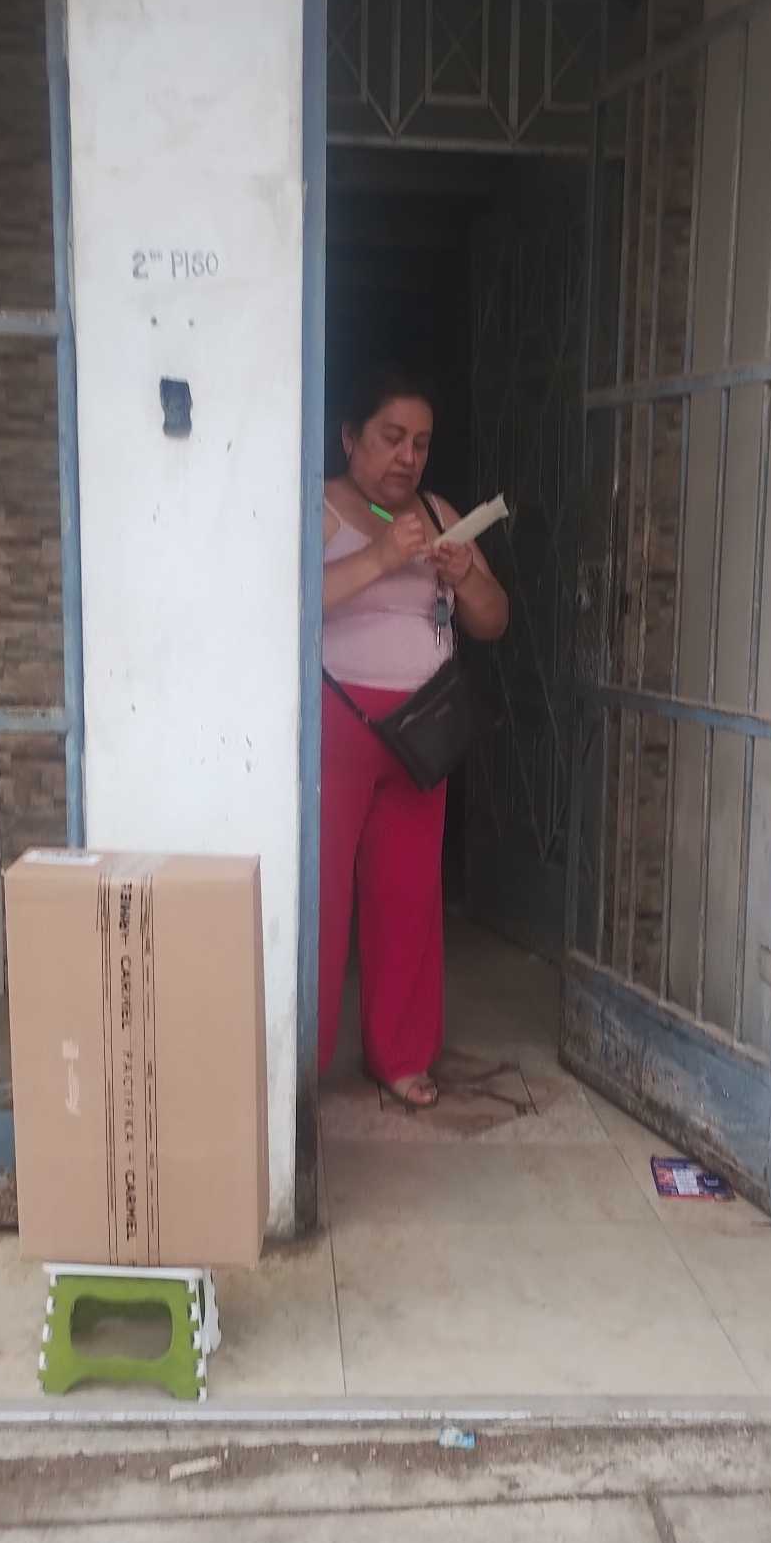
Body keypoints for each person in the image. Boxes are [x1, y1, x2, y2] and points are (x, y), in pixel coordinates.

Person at [320, 364, 509, 1109]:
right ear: (350, 437)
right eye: (391, 437)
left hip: (422, 734)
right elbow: (286, 599)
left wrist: (464, 576)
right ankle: (301, 1062)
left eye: (421, 443)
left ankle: (399, 1056)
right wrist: (379, 557)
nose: (408, 456)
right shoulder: (319, 506)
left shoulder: (439, 512)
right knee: (322, 897)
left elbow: (493, 621)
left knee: (406, 895)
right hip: (338, 727)